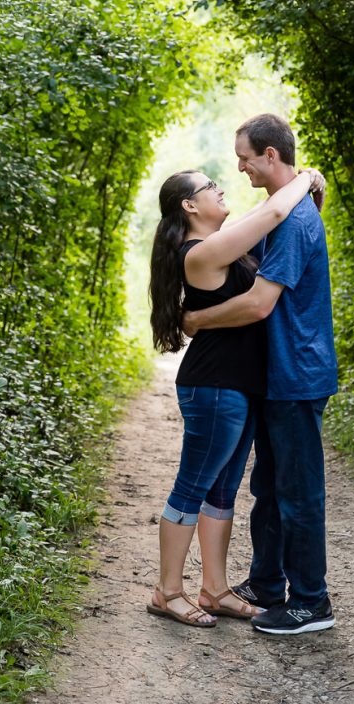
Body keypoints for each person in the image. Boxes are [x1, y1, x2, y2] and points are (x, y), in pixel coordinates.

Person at [147, 163, 325, 627]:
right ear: (190, 205)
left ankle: (214, 589)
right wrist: (305, 178)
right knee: (192, 486)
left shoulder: (223, 245)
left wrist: (302, 190)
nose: (221, 188)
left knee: (222, 491)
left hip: (238, 385)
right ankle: (168, 592)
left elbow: (268, 219)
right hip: (213, 386)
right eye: (210, 186)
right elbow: (270, 215)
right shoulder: (199, 252)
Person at [183, 114, 338, 635]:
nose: (240, 168)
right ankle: (268, 583)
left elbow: (258, 304)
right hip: (277, 374)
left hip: (298, 374)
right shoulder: (281, 211)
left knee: (298, 491)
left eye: (245, 158)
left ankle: (311, 601)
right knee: (269, 486)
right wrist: (307, 177)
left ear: (271, 155)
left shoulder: (293, 222)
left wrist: (197, 320)